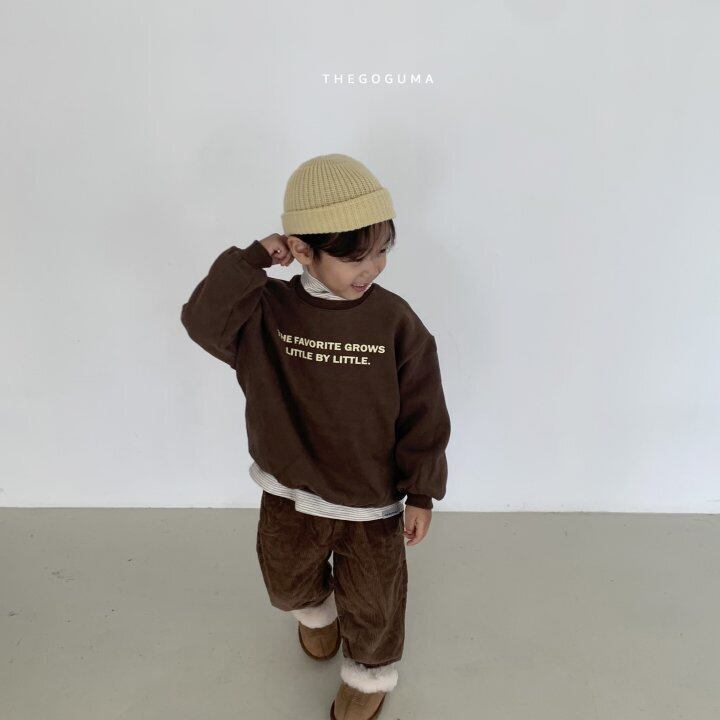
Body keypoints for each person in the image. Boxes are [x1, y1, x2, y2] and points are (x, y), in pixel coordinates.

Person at [180, 153, 451, 719]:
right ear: (303, 250)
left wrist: (421, 492)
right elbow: (201, 321)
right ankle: (318, 612)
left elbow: (424, 412)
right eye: (356, 256)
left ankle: (369, 675)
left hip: (370, 500)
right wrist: (254, 259)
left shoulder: (395, 322)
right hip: (290, 488)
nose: (373, 268)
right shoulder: (265, 313)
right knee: (285, 583)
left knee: (374, 603)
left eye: (382, 250)